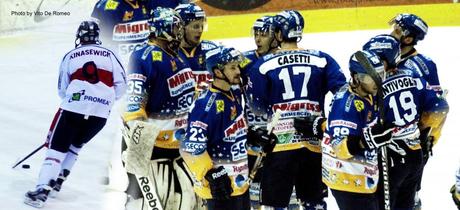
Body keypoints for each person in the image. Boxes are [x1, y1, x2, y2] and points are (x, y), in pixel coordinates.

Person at [246, 10, 347, 209]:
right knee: (314, 203)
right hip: (313, 144)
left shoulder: (263, 65)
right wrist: (325, 122)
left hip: (280, 146)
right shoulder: (322, 59)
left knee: (275, 204)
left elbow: (256, 106)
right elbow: (343, 93)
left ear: (279, 35)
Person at [24, 20, 127, 208]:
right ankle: (59, 179)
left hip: (74, 109)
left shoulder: (71, 55)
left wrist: (80, 99)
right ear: (97, 36)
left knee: (56, 149)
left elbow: (62, 89)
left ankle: (42, 190)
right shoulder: (111, 54)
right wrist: (103, 101)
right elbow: (121, 86)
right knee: (75, 145)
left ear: (79, 36)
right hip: (100, 115)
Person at [180, 46, 276, 210]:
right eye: (232, 67)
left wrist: (254, 136)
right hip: (220, 190)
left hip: (239, 185)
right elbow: (190, 147)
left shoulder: (234, 94)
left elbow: (231, 132)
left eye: (237, 66)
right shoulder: (205, 106)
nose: (238, 71)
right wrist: (211, 175)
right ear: (218, 72)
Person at [121, 7, 198, 210]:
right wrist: (138, 154)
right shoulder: (143, 57)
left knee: (185, 202)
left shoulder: (178, 57)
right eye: (175, 27)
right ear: (162, 28)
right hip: (153, 148)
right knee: (142, 202)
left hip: (177, 148)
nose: (179, 31)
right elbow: (134, 104)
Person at [363, 34, 449, 210]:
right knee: (407, 205)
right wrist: (421, 129)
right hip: (414, 153)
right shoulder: (413, 76)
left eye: (373, 58)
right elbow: (440, 108)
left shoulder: (374, 87)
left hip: (390, 157)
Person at [389, 14, 446, 209]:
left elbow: (437, 106)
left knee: (408, 192)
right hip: (389, 140)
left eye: (396, 30)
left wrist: (427, 135)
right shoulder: (385, 56)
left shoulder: (424, 65)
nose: (391, 32)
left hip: (412, 139)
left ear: (407, 39)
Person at [321, 51, 391, 210]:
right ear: (356, 78)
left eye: (380, 74)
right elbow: (340, 148)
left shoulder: (369, 93)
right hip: (348, 180)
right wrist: (368, 140)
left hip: (363, 176)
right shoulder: (347, 105)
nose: (377, 81)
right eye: (371, 77)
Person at [175, 2, 218, 90]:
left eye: (202, 26)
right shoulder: (170, 54)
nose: (200, 30)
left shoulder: (212, 51)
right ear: (181, 28)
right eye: (195, 26)